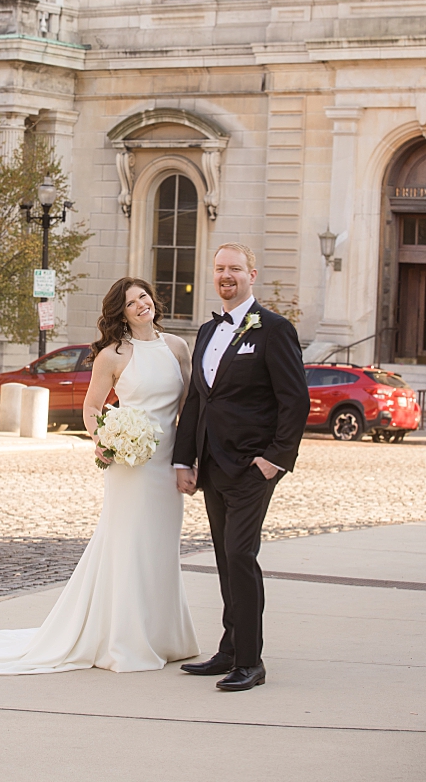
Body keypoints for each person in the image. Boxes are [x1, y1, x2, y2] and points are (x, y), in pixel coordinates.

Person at [0, 277, 198, 674]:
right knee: (127, 548)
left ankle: (164, 637)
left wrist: (189, 459)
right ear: (120, 314)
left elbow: (190, 408)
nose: (140, 305)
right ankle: (125, 640)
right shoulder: (113, 355)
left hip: (165, 463)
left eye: (143, 297)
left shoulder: (177, 347)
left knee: (160, 547)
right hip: (130, 468)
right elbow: (92, 409)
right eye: (130, 303)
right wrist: (106, 440)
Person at [173, 243, 309, 691]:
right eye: (219, 269)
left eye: (234, 268)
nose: (226, 275)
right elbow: (197, 399)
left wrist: (274, 459)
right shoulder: (208, 332)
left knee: (240, 556)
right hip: (211, 465)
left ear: (252, 274)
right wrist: (184, 459)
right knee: (224, 559)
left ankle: (251, 661)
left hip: (253, 467)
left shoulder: (274, 329)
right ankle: (229, 650)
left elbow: (295, 400)